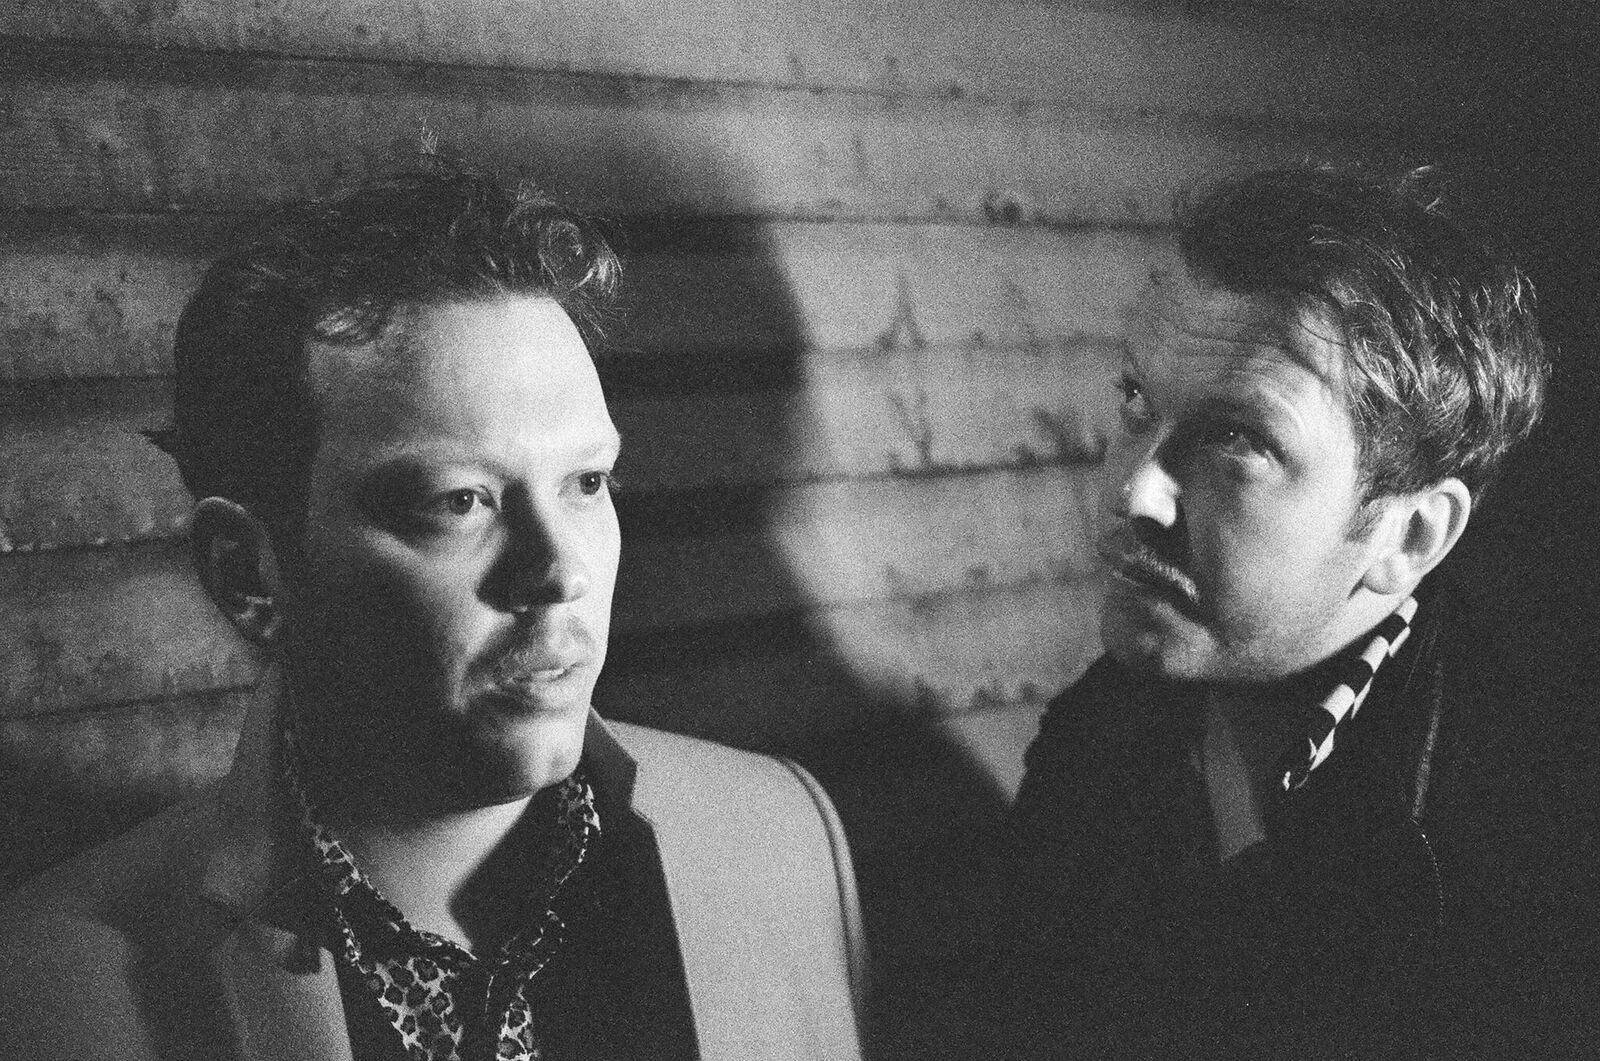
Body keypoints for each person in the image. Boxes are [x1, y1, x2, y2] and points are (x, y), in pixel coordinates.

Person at [0, 160, 865, 1061]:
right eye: (460, 501)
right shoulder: (48, 990)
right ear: (249, 574)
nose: (559, 572)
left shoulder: (781, 837)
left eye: (586, 482)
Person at [985, 165, 1588, 1058]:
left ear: (1411, 534)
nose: (1134, 492)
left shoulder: (1536, 859)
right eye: (1137, 400)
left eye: (1237, 438)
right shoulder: (1095, 737)